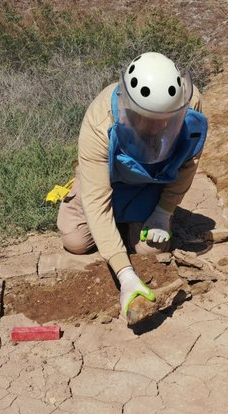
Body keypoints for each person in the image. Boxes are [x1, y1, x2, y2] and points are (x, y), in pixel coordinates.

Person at [57, 52, 208, 321]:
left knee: (150, 251)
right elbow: (97, 201)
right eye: (150, 118)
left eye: (167, 118)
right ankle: (110, 222)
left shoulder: (190, 101)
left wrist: (164, 212)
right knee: (76, 241)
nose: (162, 125)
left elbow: (187, 163)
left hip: (150, 180)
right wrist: (126, 276)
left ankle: (138, 218)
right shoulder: (99, 121)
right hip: (106, 179)